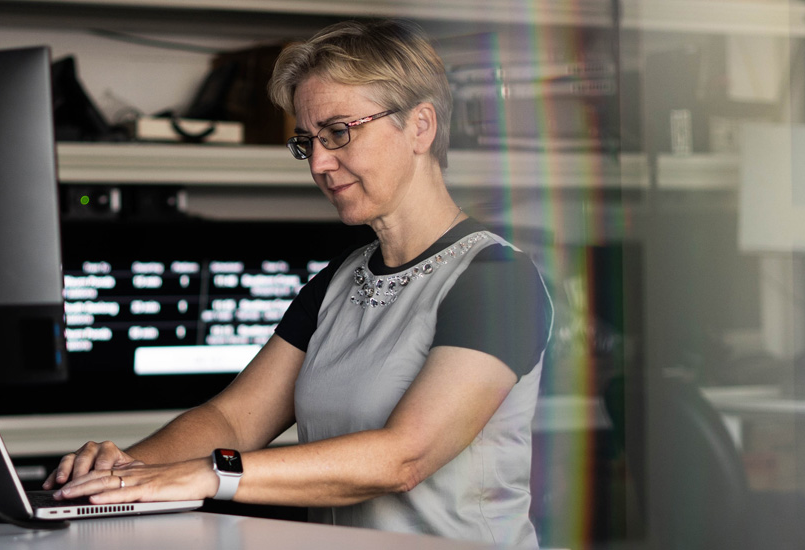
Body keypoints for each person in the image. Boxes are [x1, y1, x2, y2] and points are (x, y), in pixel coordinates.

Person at [44, 19, 552, 547]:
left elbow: (404, 457)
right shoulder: (339, 279)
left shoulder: (497, 281)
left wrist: (212, 474)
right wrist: (118, 475)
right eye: (307, 141)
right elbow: (231, 419)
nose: (319, 163)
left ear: (420, 126)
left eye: (338, 132)